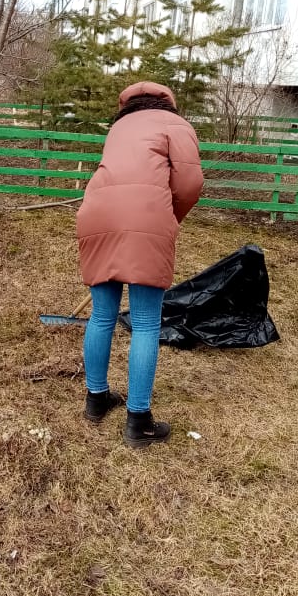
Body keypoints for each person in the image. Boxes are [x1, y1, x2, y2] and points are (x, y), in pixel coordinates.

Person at [76, 81, 204, 448]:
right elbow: (190, 183)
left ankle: (96, 400)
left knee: (102, 315)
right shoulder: (176, 125)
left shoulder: (119, 127)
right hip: (146, 216)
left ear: (127, 104)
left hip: (96, 214)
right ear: (168, 102)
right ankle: (138, 422)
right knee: (147, 322)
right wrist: (168, 217)